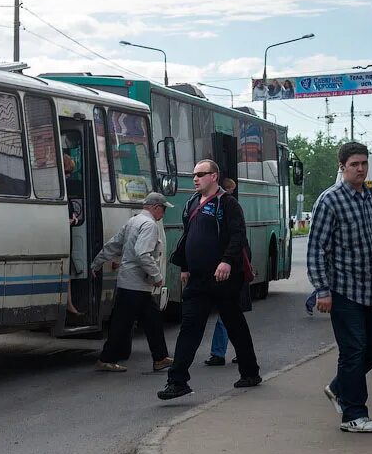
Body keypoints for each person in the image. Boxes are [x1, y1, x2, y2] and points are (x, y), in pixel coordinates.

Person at [307, 142, 372, 433]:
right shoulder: (329, 200)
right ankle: (354, 415)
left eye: (363, 163)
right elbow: (316, 248)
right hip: (344, 289)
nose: (360, 168)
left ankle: (338, 386)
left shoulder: (370, 197)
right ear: (342, 166)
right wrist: (322, 289)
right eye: (354, 164)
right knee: (354, 349)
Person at [158, 160, 261, 399]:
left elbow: (238, 236)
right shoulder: (192, 203)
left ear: (214, 176)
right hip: (198, 280)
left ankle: (250, 372)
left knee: (235, 325)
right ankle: (177, 381)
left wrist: (226, 261)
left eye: (200, 174)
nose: (195, 178)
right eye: (193, 174)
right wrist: (184, 265)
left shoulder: (228, 203)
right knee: (190, 328)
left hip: (224, 278)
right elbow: (188, 237)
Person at [90, 193, 173, 372]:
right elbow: (143, 253)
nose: (163, 214)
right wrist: (157, 276)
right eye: (163, 209)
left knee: (146, 321)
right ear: (156, 207)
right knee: (127, 323)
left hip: (130, 282)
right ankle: (107, 359)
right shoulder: (150, 225)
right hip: (137, 283)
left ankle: (160, 357)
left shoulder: (133, 221)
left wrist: (96, 263)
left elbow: (114, 244)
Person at [207, 178, 243, 366]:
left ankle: (222, 353)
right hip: (223, 272)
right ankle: (224, 352)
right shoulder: (221, 212)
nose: (230, 194)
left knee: (229, 316)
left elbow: (241, 245)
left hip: (231, 274)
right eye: (229, 189)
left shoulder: (231, 210)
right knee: (229, 316)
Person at [65, 153, 85, 316]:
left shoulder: (66, 193)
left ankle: (69, 303)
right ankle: (69, 304)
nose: (68, 177)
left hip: (68, 232)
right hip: (62, 233)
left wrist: (74, 219)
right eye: (65, 173)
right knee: (65, 270)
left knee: (67, 271)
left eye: (70, 173)